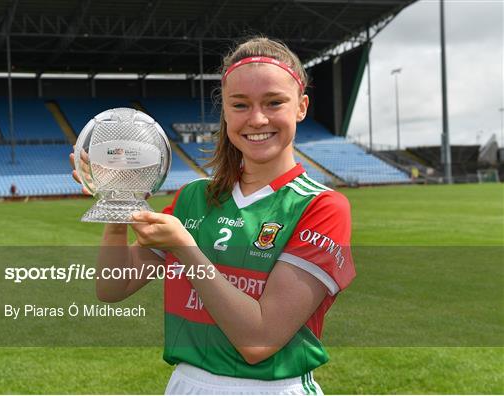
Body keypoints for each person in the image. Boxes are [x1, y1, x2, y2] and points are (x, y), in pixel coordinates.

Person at [71, 37, 355, 395]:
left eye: (274, 102)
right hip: (187, 385)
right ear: (225, 111)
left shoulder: (322, 207)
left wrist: (186, 249)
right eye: (240, 104)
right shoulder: (194, 197)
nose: (257, 118)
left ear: (301, 107)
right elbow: (113, 287)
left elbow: (259, 340)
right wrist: (116, 202)